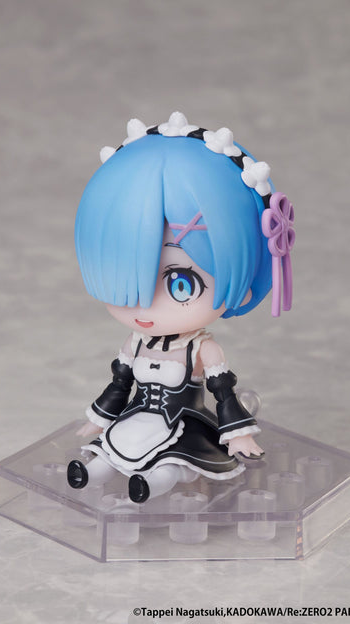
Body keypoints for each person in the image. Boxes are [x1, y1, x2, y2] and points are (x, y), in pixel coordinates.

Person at [67, 112, 295, 502]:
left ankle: (149, 485)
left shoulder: (202, 349)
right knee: (110, 449)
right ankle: (91, 472)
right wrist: (100, 418)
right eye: (123, 273)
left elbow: (223, 393)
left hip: (181, 423)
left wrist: (238, 432)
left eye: (180, 283)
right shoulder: (135, 342)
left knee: (173, 463)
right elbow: (120, 385)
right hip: (136, 419)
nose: (145, 303)